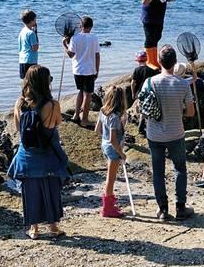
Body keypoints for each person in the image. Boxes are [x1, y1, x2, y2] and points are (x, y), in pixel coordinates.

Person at [7, 65, 71, 239]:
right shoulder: (52, 104)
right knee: (51, 190)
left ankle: (34, 229)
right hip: (47, 155)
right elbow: (56, 123)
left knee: (30, 193)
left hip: (26, 155)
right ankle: (53, 227)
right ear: (46, 82)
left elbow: (19, 129)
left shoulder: (19, 103)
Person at [144, 45, 195, 221]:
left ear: (159, 61)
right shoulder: (183, 84)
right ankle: (181, 207)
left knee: (158, 172)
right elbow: (190, 112)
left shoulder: (150, 82)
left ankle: (163, 210)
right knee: (179, 169)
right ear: (175, 62)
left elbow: (143, 108)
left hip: (154, 134)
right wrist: (177, 110)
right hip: (176, 132)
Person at [95, 85, 127, 218]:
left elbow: (97, 129)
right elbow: (113, 139)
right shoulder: (114, 117)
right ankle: (107, 207)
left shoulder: (103, 111)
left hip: (104, 145)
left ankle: (109, 202)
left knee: (110, 176)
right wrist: (121, 153)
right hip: (113, 149)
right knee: (111, 178)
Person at [65, 16, 100, 127]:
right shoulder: (94, 37)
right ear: (91, 27)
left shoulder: (75, 38)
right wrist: (97, 70)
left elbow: (71, 55)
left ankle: (76, 115)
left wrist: (64, 44)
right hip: (89, 70)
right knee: (88, 95)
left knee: (80, 91)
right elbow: (97, 55)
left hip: (77, 70)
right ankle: (84, 119)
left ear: (80, 26)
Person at [140, 0, 179, 69]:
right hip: (149, 19)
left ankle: (155, 61)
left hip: (159, 19)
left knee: (156, 38)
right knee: (150, 39)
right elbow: (144, 1)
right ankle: (149, 61)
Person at [131, 50, 160, 135]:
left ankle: (141, 126)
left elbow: (133, 83)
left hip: (140, 93)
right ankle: (146, 126)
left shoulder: (136, 70)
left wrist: (133, 93)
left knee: (141, 110)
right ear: (146, 59)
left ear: (138, 61)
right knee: (148, 110)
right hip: (149, 92)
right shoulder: (151, 70)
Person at [18, 10, 40, 79]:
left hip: (22, 60)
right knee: (32, 83)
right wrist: (35, 33)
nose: (36, 22)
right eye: (35, 20)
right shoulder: (31, 33)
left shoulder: (22, 32)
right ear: (31, 21)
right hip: (30, 60)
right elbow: (35, 48)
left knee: (25, 83)